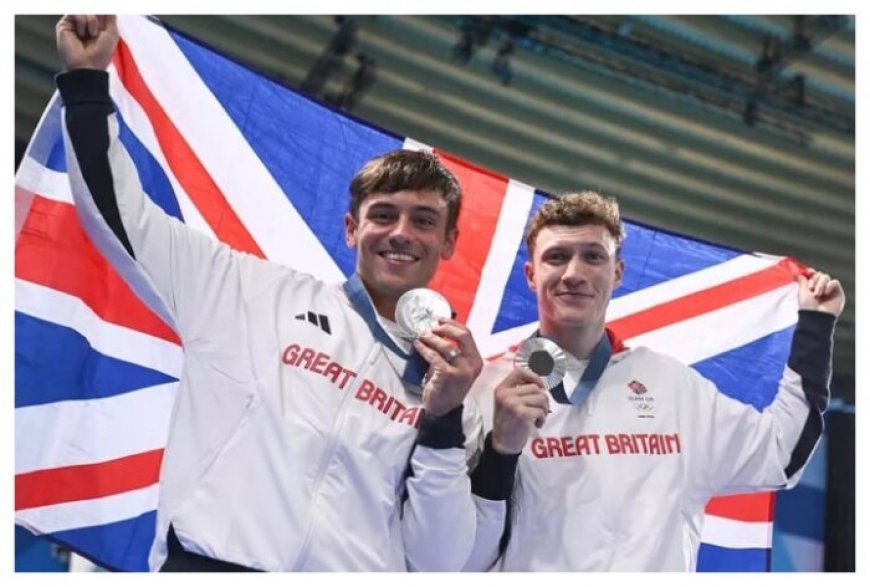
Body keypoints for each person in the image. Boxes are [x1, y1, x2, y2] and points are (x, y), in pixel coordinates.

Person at [55, 15, 484, 571]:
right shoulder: (247, 291)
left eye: (423, 220)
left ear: (448, 242)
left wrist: (445, 420)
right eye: (384, 215)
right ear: (352, 229)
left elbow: (439, 562)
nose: (401, 233)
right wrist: (88, 84)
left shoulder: (453, 384)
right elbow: (124, 220)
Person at [464, 191, 845, 571]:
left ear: (617, 273)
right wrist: (500, 449)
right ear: (531, 275)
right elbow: (457, 553)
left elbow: (781, 455)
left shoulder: (672, 386)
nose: (574, 273)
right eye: (556, 257)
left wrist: (816, 326)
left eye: (593, 256)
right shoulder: (488, 390)